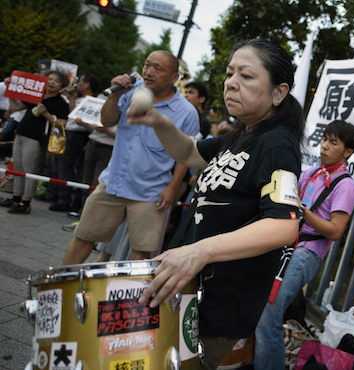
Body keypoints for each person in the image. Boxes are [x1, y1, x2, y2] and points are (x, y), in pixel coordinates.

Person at [131, 39, 305, 368]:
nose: (231, 83)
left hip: (226, 300)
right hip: (195, 290)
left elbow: (284, 225)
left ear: (278, 92)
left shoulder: (277, 145)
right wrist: (159, 122)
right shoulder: (240, 134)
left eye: (246, 76)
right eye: (229, 74)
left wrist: (202, 250)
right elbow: (188, 153)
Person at [61, 50, 199, 264]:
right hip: (113, 181)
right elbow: (107, 121)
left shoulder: (187, 112)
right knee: (83, 238)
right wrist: (115, 94)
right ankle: (60, 292)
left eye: (157, 68)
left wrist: (173, 188)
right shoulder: (129, 91)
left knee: (141, 254)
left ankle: (130, 298)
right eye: (147, 65)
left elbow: (186, 154)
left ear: (174, 78)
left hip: (151, 192)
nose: (149, 72)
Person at [254, 119, 354, 369]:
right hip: (285, 246)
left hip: (306, 253)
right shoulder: (311, 174)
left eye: (332, 143)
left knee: (269, 313)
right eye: (324, 139)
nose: (323, 146)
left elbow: (335, 230)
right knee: (262, 306)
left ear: (347, 153)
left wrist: (305, 213)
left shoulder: (346, 185)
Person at [0, 71, 70, 214]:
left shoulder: (61, 103)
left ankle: (25, 203)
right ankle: (15, 198)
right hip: (20, 133)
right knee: (17, 168)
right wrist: (10, 91)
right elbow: (15, 107)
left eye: (56, 81)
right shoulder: (36, 94)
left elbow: (61, 125)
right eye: (49, 79)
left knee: (29, 171)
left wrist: (46, 114)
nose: (51, 82)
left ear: (62, 87)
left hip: (36, 138)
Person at [48, 73, 102, 213]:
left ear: (88, 84)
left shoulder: (93, 102)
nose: (78, 84)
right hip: (67, 132)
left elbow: (81, 119)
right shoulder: (78, 99)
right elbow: (73, 114)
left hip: (78, 135)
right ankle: (55, 195)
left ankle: (63, 200)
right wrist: (72, 97)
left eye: (81, 82)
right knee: (58, 164)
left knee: (67, 167)